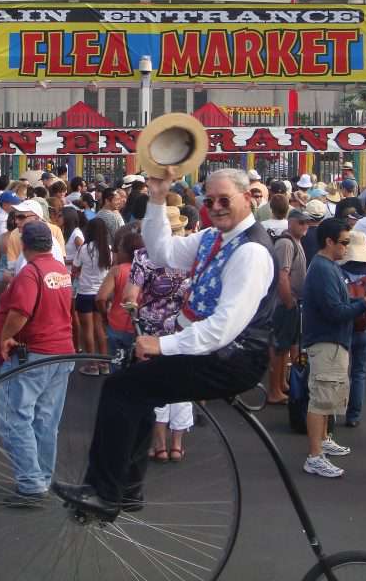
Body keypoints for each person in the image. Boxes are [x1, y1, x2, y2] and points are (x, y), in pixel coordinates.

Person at [52, 168, 278, 518]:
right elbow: (161, 253)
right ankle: (124, 489)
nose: (216, 207)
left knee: (121, 389)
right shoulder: (212, 238)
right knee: (136, 387)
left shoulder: (251, 253)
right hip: (208, 349)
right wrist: (157, 198)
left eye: (225, 200)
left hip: (230, 357)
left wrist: (164, 345)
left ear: (248, 198)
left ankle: (104, 491)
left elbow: (225, 326)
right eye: (211, 199)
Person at [0, 220, 76, 507]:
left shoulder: (31, 273)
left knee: (15, 418)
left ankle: (30, 483)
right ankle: (41, 476)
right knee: (46, 419)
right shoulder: (60, 270)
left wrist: (5, 336)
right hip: (61, 351)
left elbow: (20, 312)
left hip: (35, 354)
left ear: (23, 245)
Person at [301, 218, 366, 478]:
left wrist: (360, 301)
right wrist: (365, 302)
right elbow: (335, 310)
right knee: (321, 398)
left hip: (332, 340)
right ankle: (314, 455)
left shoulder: (327, 266)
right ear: (329, 242)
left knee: (328, 396)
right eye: (344, 243)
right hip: (328, 341)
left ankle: (323, 441)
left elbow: (336, 303)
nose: (347, 248)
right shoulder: (324, 269)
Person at [122, 216, 193, 464]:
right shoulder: (190, 255)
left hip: (152, 330)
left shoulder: (144, 256)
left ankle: (159, 446)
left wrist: (131, 309)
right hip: (184, 328)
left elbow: (130, 295)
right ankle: (177, 445)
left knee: (155, 386)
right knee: (182, 386)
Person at [337, 230, 366, 427]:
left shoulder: (337, 271)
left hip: (342, 326)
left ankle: (334, 410)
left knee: (339, 372)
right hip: (365, 327)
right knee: (359, 372)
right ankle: (353, 415)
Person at [267, 208, 308, 405]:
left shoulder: (294, 242)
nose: (305, 225)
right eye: (301, 222)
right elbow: (283, 276)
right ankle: (274, 390)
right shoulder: (286, 243)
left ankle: (281, 384)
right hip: (284, 303)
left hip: (290, 302)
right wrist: (289, 301)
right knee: (279, 348)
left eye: (306, 222)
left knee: (284, 348)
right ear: (291, 223)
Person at [96, 229, 145, 367]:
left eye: (120, 248)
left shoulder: (117, 270)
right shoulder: (147, 270)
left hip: (116, 326)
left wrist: (104, 316)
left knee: (116, 366)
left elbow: (100, 298)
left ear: (126, 251)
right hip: (138, 329)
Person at [72, 217, 112, 376]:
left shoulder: (84, 248)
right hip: (102, 294)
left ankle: (92, 365)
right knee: (100, 329)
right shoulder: (108, 249)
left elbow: (75, 268)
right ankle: (104, 363)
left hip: (85, 293)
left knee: (87, 330)